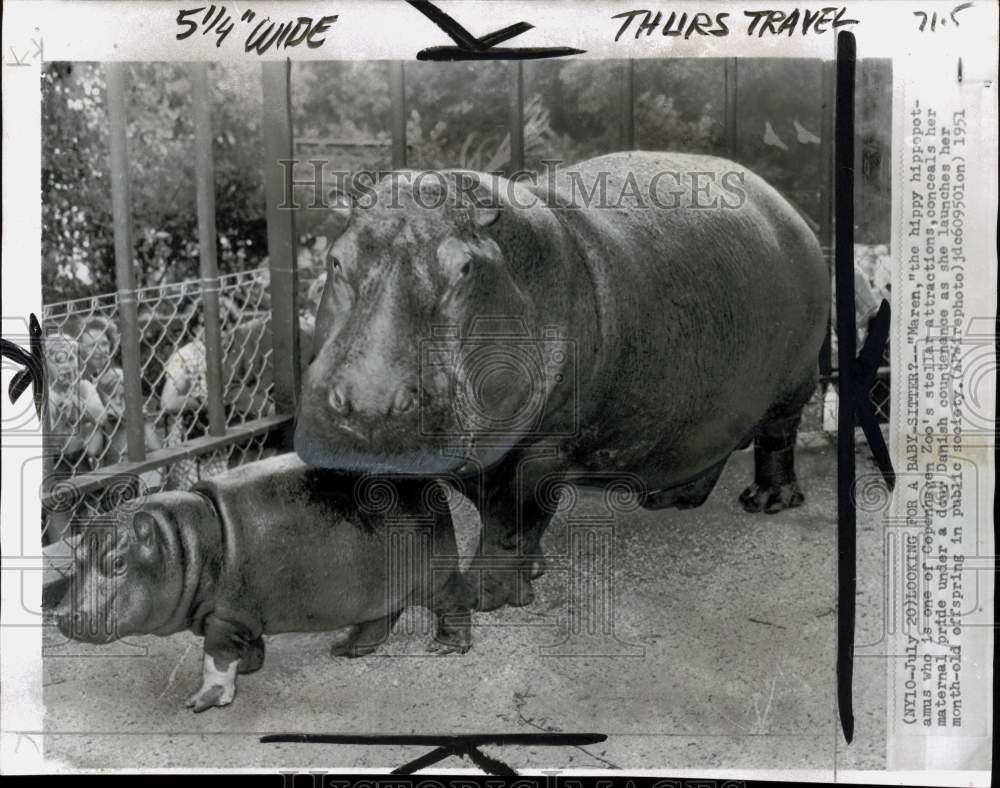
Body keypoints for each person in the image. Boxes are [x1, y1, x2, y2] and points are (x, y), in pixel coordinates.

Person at [78, 317, 162, 465]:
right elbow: (92, 449)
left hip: (119, 453)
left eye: (104, 344)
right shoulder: (77, 383)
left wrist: (135, 414)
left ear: (111, 346)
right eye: (92, 345)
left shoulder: (119, 377)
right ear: (80, 348)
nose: (99, 350)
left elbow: (154, 444)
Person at [160, 309, 228, 489]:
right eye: (206, 325)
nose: (216, 330)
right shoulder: (188, 355)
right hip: (192, 437)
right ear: (196, 328)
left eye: (222, 324)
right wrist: (200, 402)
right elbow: (169, 401)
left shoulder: (227, 351)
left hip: (223, 437)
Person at [45, 333, 106, 474]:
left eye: (71, 358)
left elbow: (101, 417)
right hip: (54, 462)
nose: (67, 365)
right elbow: (50, 438)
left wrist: (74, 400)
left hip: (82, 456)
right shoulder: (46, 395)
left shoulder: (84, 387)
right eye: (59, 360)